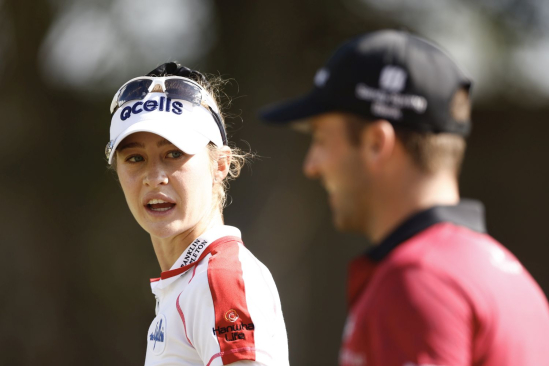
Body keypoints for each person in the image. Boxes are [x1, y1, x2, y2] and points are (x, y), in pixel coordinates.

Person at [260, 30, 549, 366]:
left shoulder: (418, 280)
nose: (311, 166)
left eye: (322, 139)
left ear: (375, 144)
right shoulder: (505, 274)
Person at [106, 62, 289, 366]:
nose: (154, 177)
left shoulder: (220, 278)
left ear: (220, 165)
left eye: (174, 153)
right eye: (135, 158)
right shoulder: (190, 281)